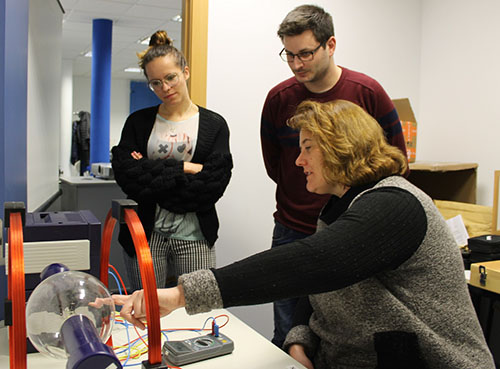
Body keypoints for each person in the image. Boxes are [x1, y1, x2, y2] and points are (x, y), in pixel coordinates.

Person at [113, 100, 495, 369]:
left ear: (341, 148)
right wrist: (298, 339)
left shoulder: (395, 205)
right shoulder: (341, 207)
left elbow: (315, 263)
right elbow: (319, 289)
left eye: (308, 148)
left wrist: (181, 294)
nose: (298, 161)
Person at [260, 4, 408, 347]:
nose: (297, 64)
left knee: (346, 336)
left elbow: (396, 165)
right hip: (293, 229)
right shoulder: (279, 100)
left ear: (331, 45)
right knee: (288, 336)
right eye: (289, 55)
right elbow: (276, 166)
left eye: (306, 53)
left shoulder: (367, 93)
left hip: (356, 232)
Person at [111, 30, 232, 291]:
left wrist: (152, 175)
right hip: (145, 235)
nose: (164, 88)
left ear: (185, 72)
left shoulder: (214, 124)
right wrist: (183, 168)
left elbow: (212, 185)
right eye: (155, 82)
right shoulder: (138, 123)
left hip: (195, 236)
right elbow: (128, 176)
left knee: (199, 307)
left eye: (170, 78)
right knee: (145, 309)